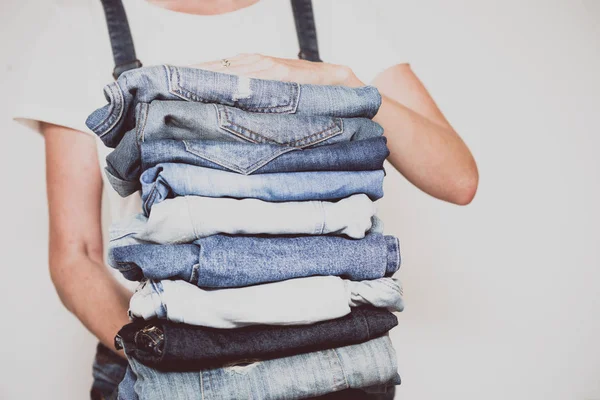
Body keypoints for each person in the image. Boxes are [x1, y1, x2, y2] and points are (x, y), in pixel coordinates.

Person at [13, 0, 478, 397]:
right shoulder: (82, 28)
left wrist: (342, 81)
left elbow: (457, 179)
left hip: (333, 367)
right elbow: (77, 255)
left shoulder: (325, 13)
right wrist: (166, 353)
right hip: (167, 370)